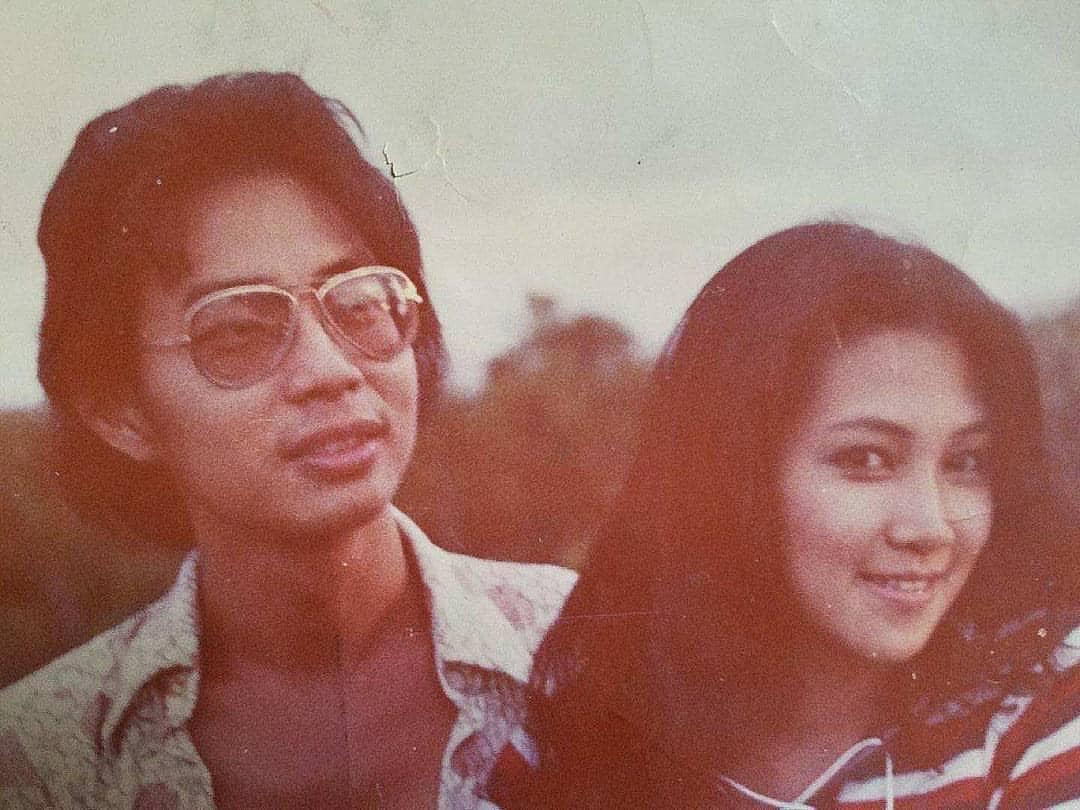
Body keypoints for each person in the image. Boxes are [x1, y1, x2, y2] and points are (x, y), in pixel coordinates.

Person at [0, 72, 576, 809]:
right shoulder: (41, 762)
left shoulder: (588, 650)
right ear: (120, 411)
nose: (330, 371)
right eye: (238, 331)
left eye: (359, 302)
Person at [489, 223, 1080, 808]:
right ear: (737, 475)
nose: (930, 528)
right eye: (867, 459)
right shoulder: (583, 733)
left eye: (967, 462)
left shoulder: (1045, 714)